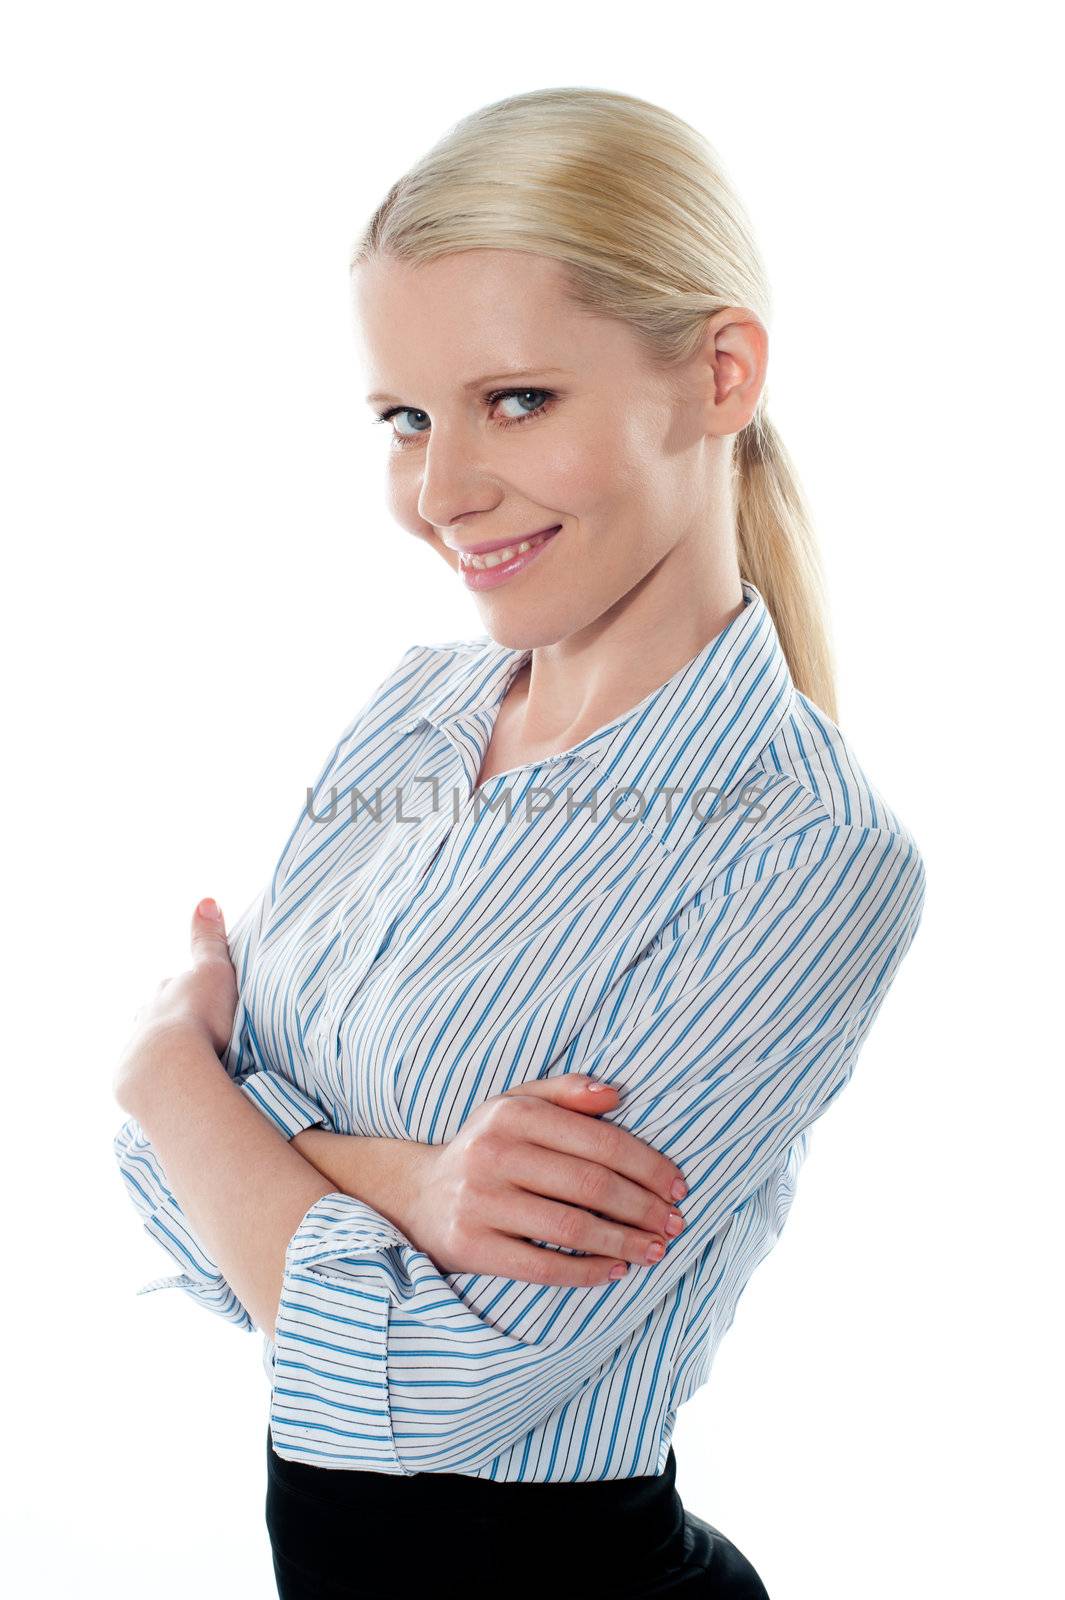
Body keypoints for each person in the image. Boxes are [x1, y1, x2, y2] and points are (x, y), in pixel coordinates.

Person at [113, 86, 926, 1598]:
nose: (439, 492)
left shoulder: (807, 851)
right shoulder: (409, 722)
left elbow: (416, 1389)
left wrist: (175, 1076)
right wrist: (410, 1192)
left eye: (516, 401)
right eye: (405, 418)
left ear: (718, 374)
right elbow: (169, 1200)